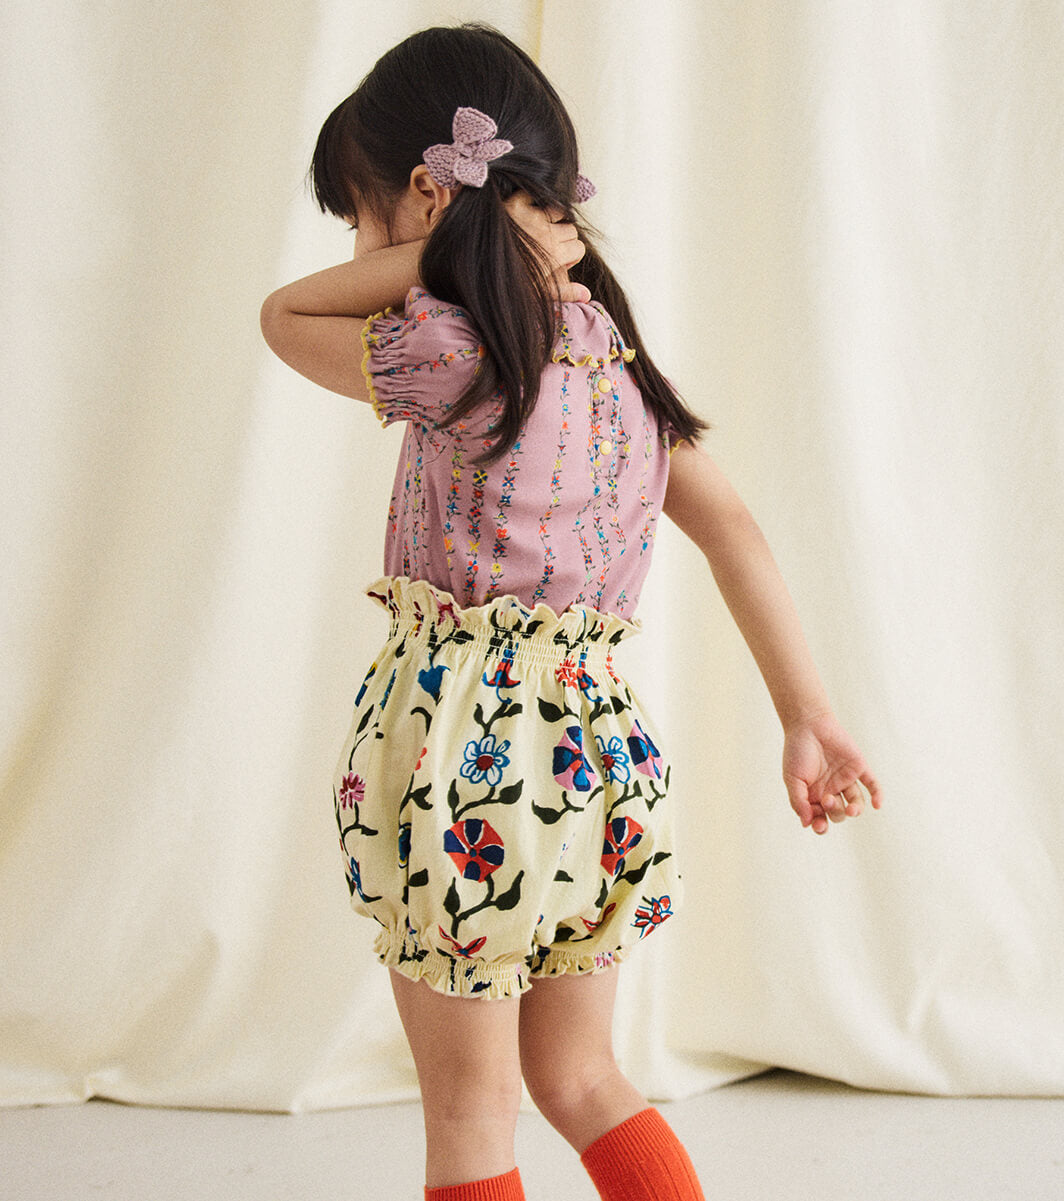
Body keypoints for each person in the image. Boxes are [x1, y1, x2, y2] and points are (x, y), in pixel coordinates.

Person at [260, 22, 881, 1201]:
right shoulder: (616, 361)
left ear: (426, 195)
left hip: (466, 767)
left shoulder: (451, 346)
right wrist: (809, 715)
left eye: (363, 221)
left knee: (469, 1114)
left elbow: (284, 316)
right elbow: (735, 529)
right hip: (598, 763)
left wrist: (441, 253)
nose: (359, 252)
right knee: (585, 1078)